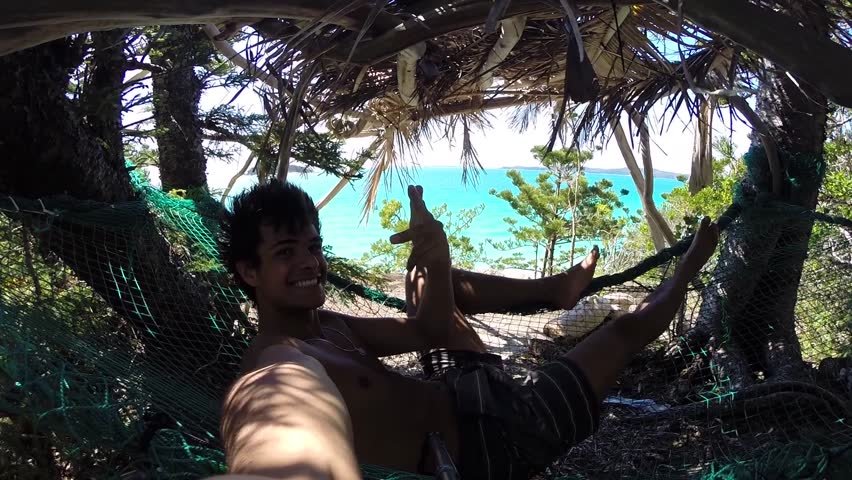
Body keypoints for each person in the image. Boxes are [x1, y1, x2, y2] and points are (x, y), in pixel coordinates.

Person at [217, 180, 720, 480]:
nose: (310, 262)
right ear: (248, 272)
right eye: (286, 252)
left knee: (429, 279)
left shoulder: (324, 323)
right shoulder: (275, 364)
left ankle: (558, 289)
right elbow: (282, 422)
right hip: (501, 438)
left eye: (313, 246)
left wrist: (438, 258)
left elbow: (427, 330)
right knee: (622, 332)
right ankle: (688, 268)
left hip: (466, 387)